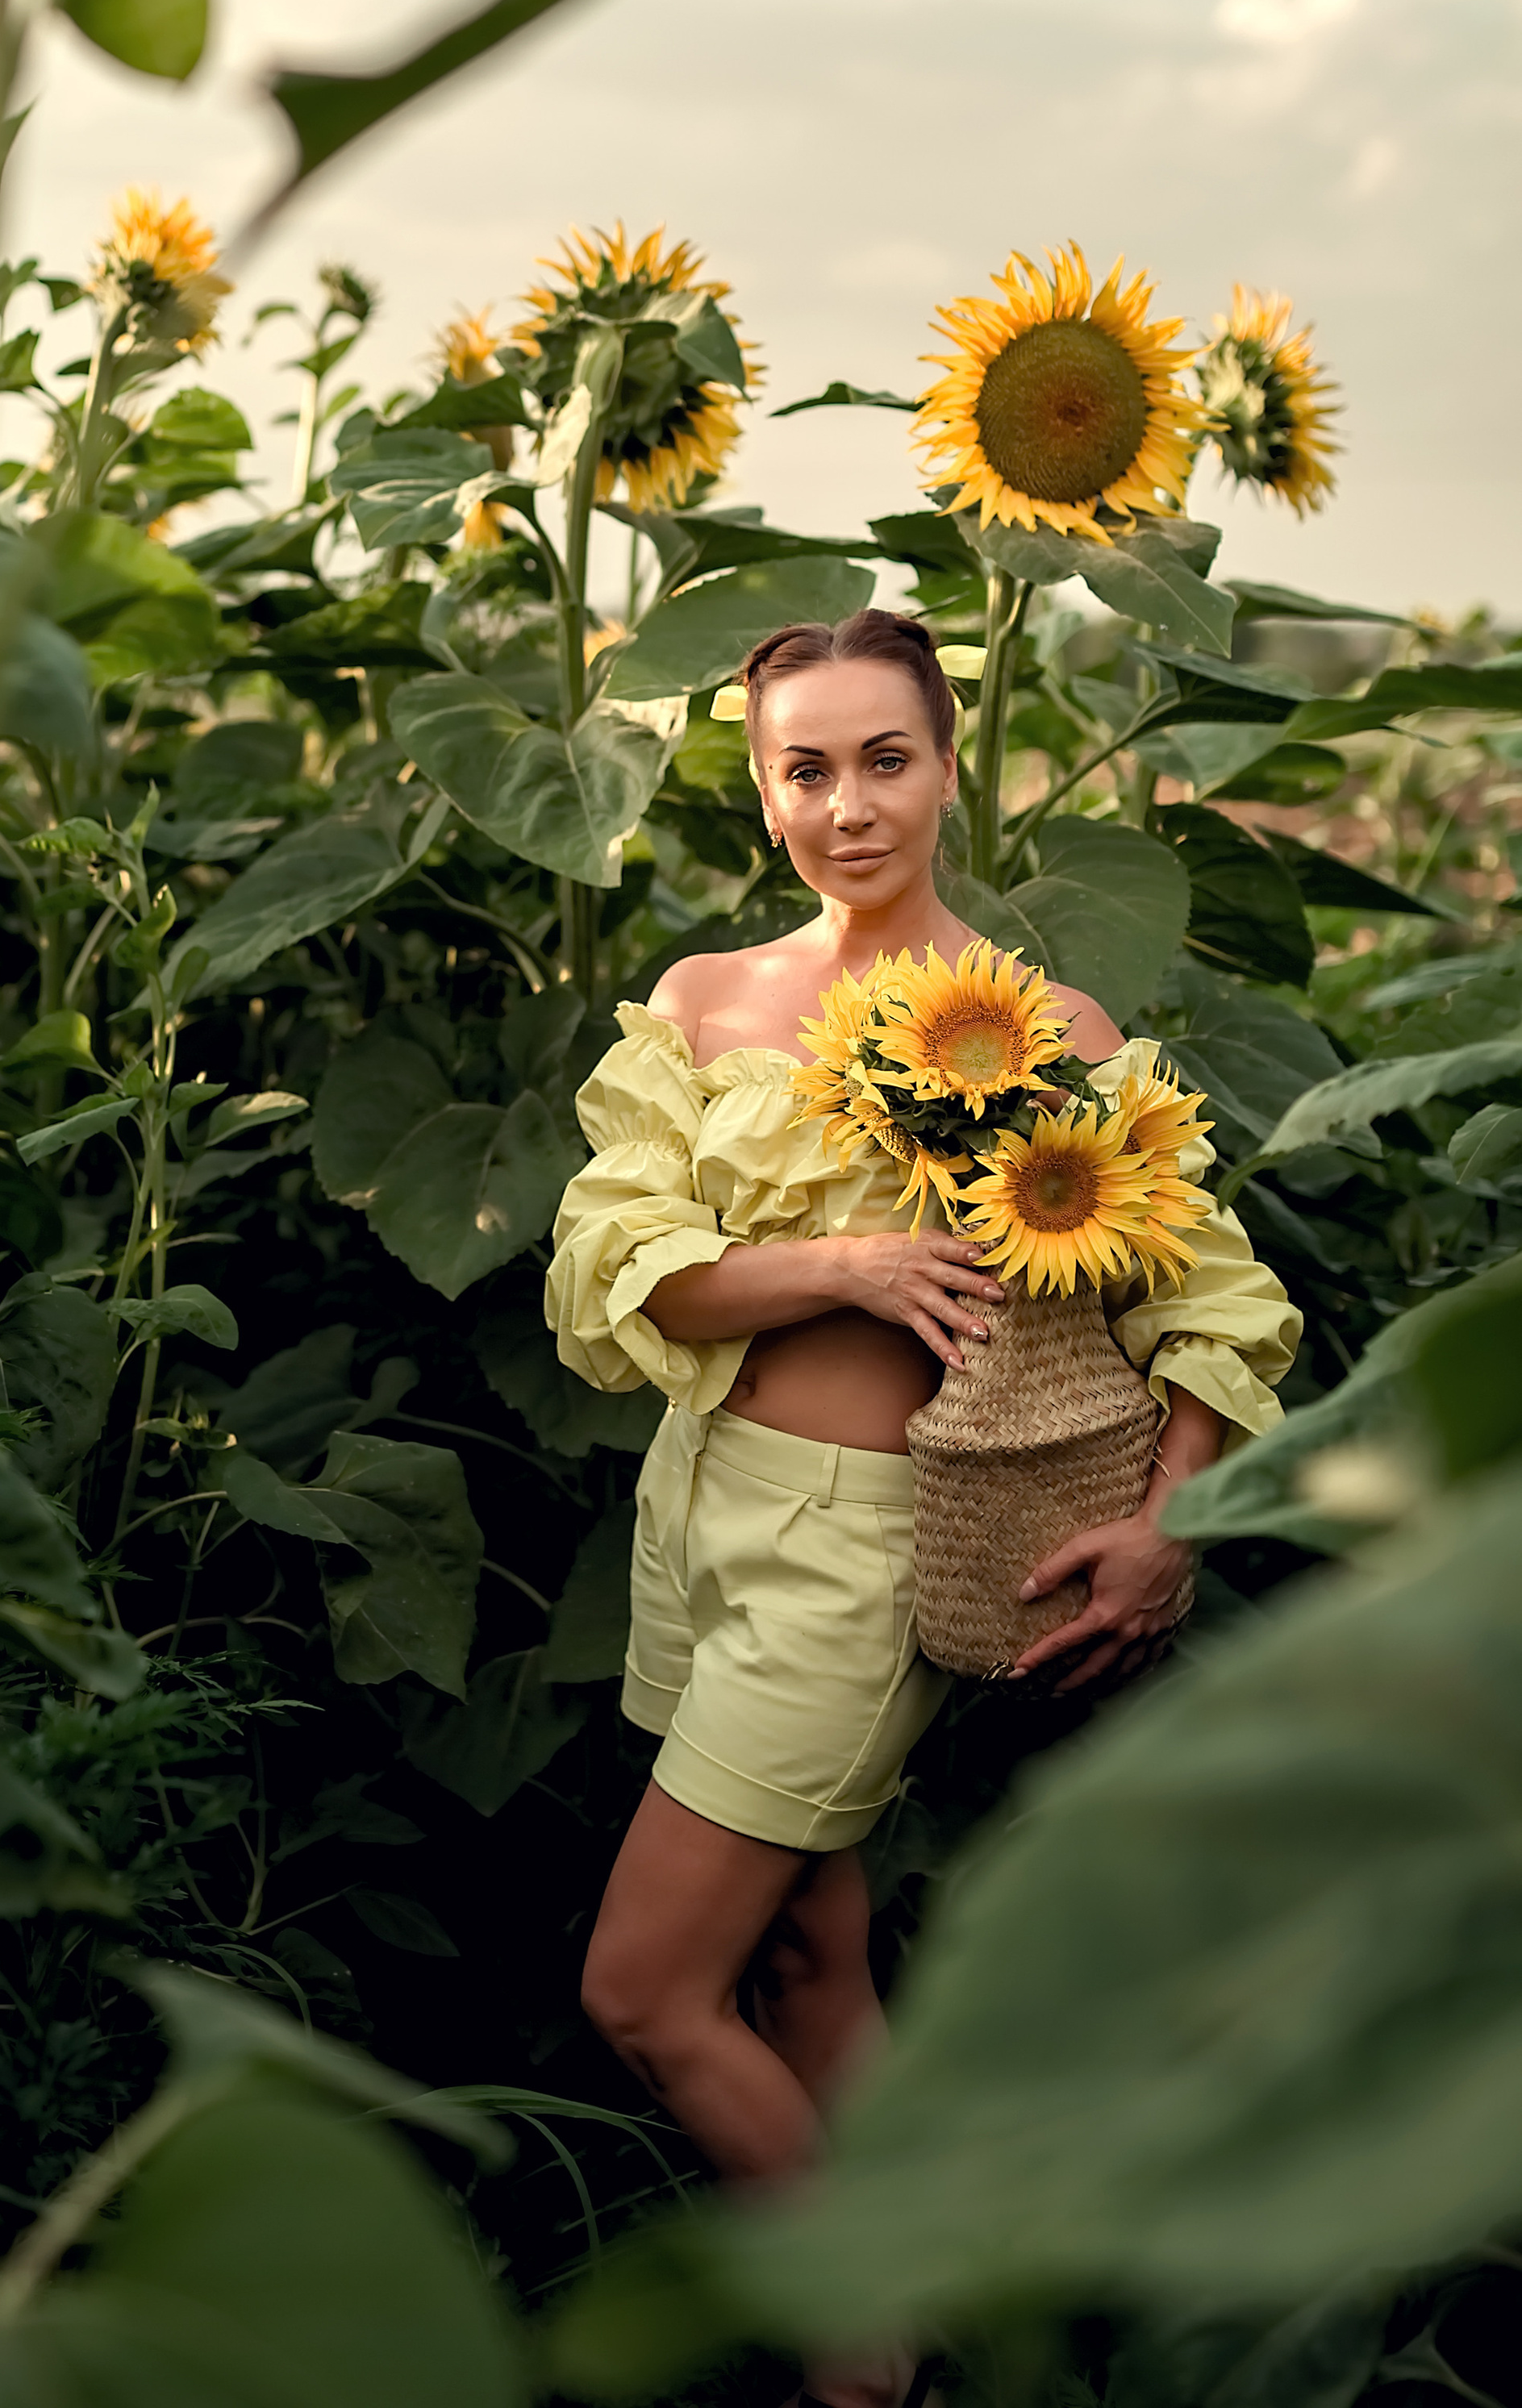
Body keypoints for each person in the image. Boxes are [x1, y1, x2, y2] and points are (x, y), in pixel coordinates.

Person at [544, 610, 1299, 2408]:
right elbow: (617, 1270)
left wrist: (1168, 1519)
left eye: (883, 758)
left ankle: (860, 2352)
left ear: (951, 765)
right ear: (760, 785)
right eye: (805, 766)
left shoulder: (1045, 1032)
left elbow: (1213, 1299)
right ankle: (969, 2303)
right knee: (805, 1945)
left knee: (643, 1997)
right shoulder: (702, 1002)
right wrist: (839, 1264)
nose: (847, 805)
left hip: (861, 1556)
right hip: (699, 1508)